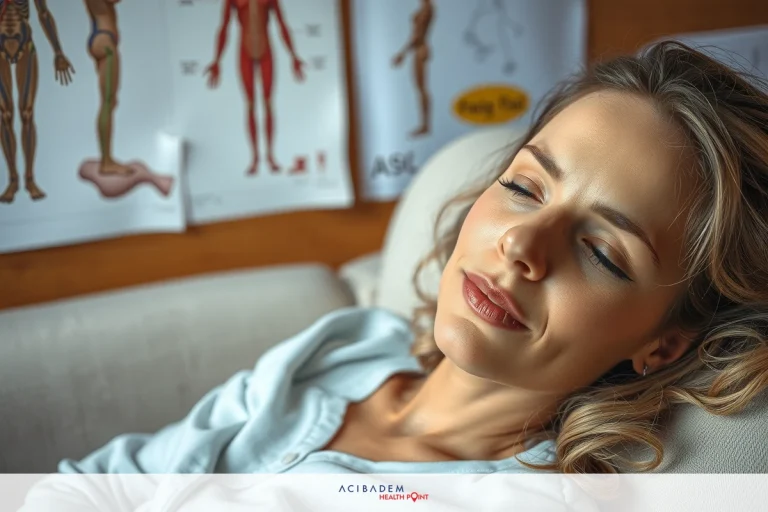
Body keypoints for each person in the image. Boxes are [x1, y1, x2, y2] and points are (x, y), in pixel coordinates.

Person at [59, 41, 768, 475]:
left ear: (663, 344)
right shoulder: (346, 349)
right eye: (524, 186)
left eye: (602, 253)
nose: (520, 245)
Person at [205, 0, 305, 175]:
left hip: (265, 51)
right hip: (245, 52)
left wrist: (293, 56)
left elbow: (282, 25)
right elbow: (224, 27)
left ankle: (270, 157)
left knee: (267, 104)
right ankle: (255, 158)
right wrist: (217, 60)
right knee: (251, 105)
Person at [0, 0, 73, 203]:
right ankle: (13, 180)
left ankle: (30, 179)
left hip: (26, 44)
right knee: (5, 114)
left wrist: (58, 52)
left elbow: (44, 13)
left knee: (27, 113)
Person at [392, 0, 434, 138]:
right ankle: (424, 124)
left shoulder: (427, 9)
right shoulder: (425, 8)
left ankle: (425, 125)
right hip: (419, 49)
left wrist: (402, 54)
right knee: (420, 88)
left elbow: (417, 36)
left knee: (421, 88)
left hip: (420, 49)